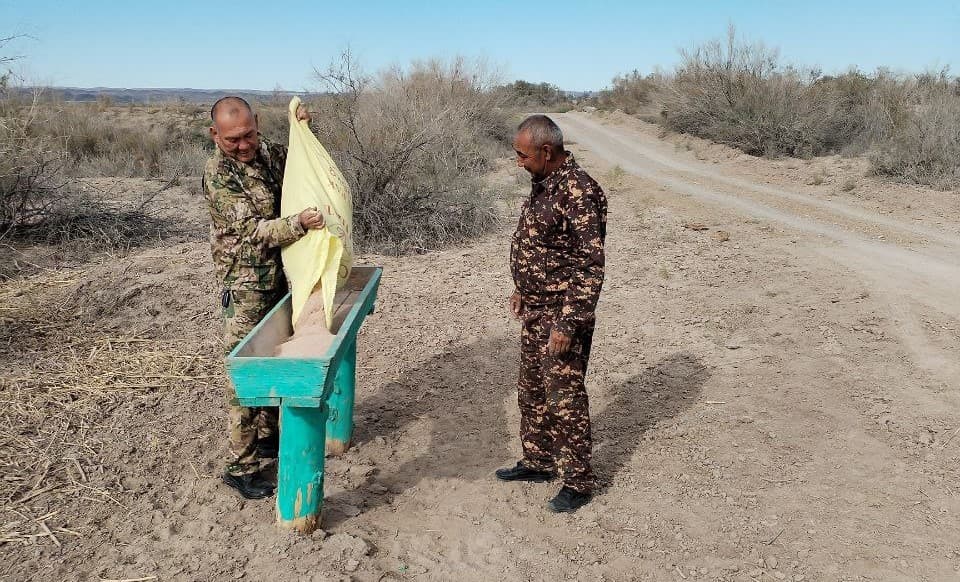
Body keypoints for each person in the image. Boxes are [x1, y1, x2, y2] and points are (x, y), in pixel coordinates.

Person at [203, 96, 326, 499]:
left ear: (258, 124)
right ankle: (240, 467)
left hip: (282, 277)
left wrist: (306, 129)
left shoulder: (270, 153)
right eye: (232, 139)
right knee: (246, 376)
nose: (243, 145)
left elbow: (305, 169)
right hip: (245, 286)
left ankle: (270, 439)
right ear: (215, 135)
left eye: (249, 135)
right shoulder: (219, 174)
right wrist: (300, 224)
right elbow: (255, 230)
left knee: (277, 357)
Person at [497, 114, 607, 513]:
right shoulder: (544, 184)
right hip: (535, 309)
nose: (519, 162)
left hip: (562, 315)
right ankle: (539, 461)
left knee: (564, 397)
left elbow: (589, 265)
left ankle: (578, 481)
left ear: (547, 151)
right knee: (532, 391)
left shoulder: (579, 192)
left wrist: (568, 322)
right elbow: (541, 247)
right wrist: (521, 288)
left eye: (522, 155)